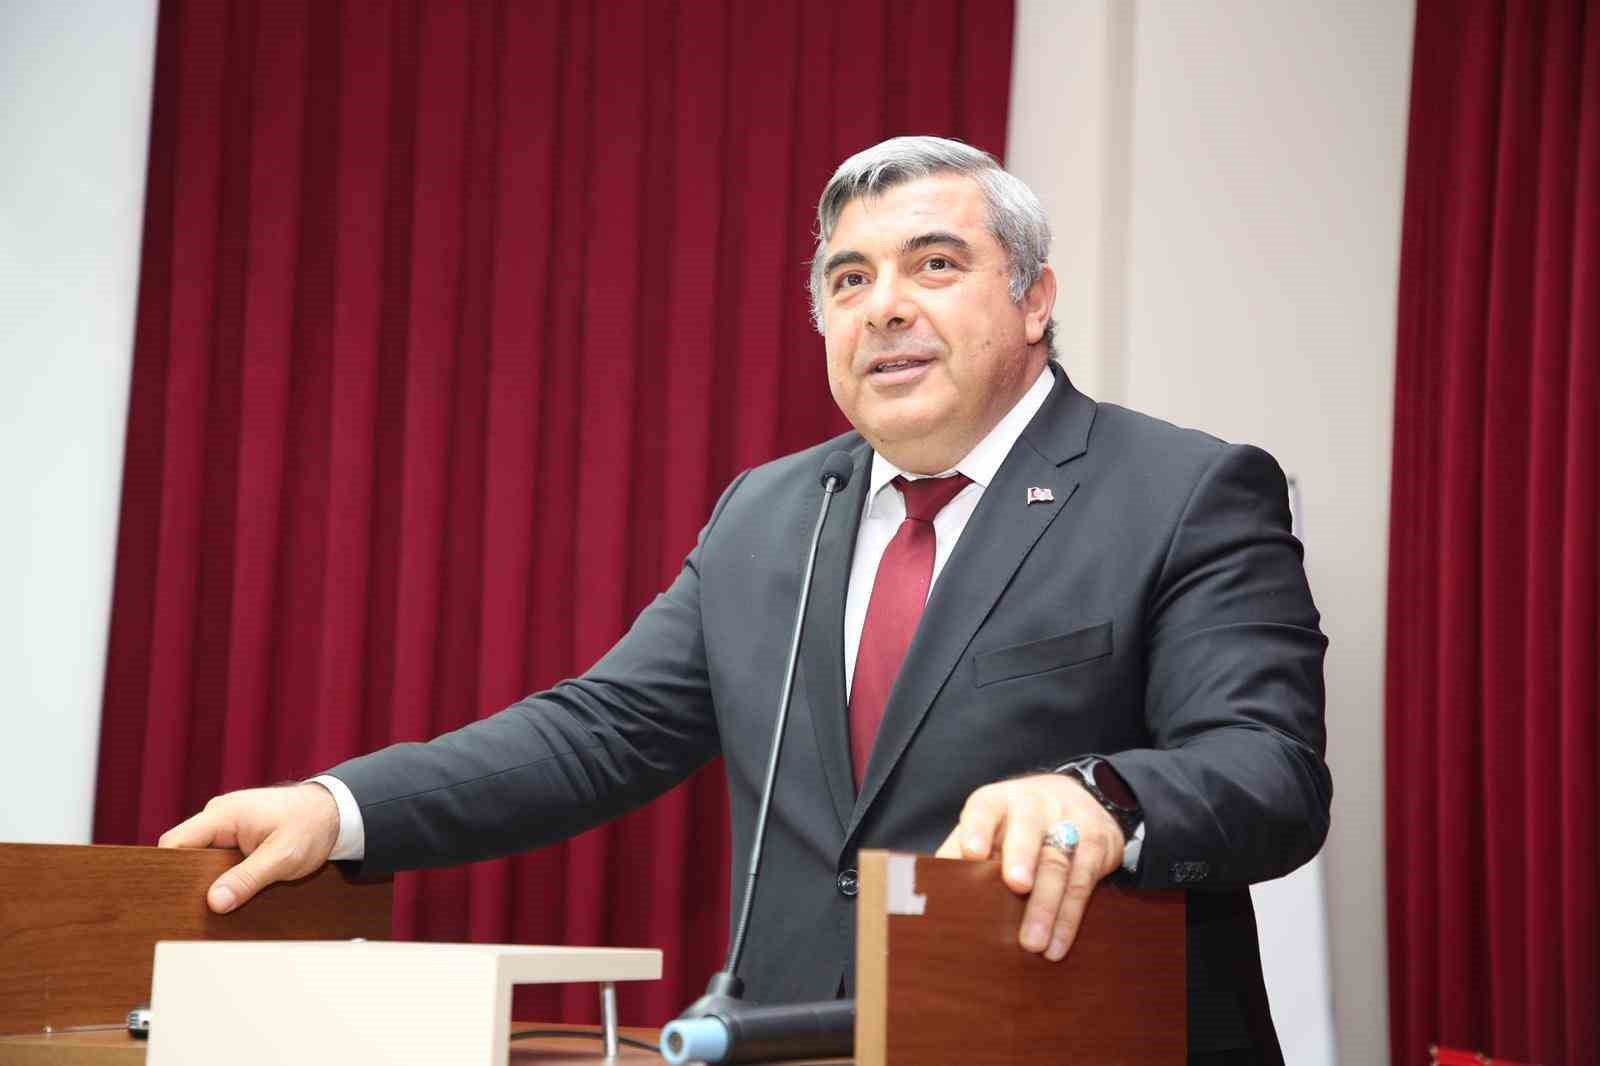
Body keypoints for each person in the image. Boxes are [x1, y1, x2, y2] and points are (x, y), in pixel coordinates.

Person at [162, 136, 1329, 1065]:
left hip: (1073, 1035)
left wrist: (1098, 795)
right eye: (848, 279)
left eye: (933, 265)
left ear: (1034, 300)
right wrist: (339, 807)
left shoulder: (1181, 491)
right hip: (788, 1040)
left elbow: (1268, 770)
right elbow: (601, 731)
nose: (884, 306)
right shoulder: (771, 512)